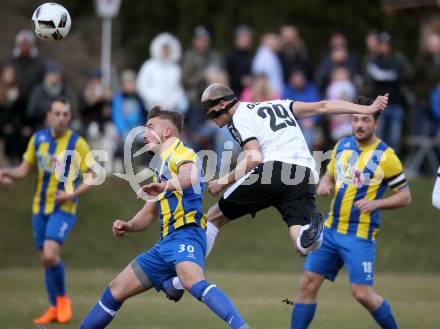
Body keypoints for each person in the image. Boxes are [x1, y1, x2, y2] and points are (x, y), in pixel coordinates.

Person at [165, 83, 390, 298]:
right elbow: (323, 106)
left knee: (214, 217)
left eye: (209, 113)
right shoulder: (279, 104)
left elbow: (254, 157)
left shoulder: (238, 118)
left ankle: (182, 280)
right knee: (302, 244)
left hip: (274, 170)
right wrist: (368, 108)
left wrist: (223, 181)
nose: (211, 120)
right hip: (305, 173)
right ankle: (312, 237)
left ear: (221, 105)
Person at [79, 107, 251, 329]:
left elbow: (189, 175)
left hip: (186, 234)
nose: (144, 134)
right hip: (165, 245)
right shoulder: (160, 165)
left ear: (167, 132)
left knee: (192, 281)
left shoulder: (181, 152)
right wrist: (129, 225)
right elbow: (150, 212)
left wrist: (164, 185)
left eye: (150, 127)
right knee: (116, 289)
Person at [290, 96, 411, 329]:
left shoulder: (387, 156)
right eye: (355, 119)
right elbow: (330, 174)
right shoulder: (343, 145)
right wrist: (325, 183)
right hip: (331, 230)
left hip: (359, 233)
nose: (359, 125)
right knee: (308, 284)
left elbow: (405, 196)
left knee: (362, 294)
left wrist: (377, 204)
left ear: (376, 124)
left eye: (365, 120)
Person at [0, 98, 95, 324]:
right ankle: (53, 307)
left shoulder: (77, 143)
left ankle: (63, 301)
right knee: (45, 259)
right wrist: (5, 173)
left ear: (69, 118)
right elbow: (24, 170)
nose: (61, 118)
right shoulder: (38, 139)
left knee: (51, 254)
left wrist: (72, 194)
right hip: (39, 207)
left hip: (64, 207)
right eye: (57, 113)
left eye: (65, 114)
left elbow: (93, 176)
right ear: (49, 116)